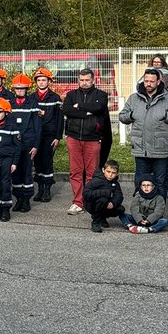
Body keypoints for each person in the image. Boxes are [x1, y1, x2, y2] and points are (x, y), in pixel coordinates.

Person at [119, 68, 168, 194]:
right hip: (141, 148)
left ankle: (158, 211)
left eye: (152, 81)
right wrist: (132, 115)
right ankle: (140, 211)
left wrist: (166, 116)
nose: (148, 84)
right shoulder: (134, 98)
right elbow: (122, 116)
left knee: (160, 183)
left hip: (160, 148)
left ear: (159, 81)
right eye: (146, 80)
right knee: (140, 181)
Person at [62, 68, 109, 214]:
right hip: (73, 137)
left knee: (92, 173)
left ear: (93, 80)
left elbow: (98, 107)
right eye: (81, 80)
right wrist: (87, 112)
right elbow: (67, 110)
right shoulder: (71, 95)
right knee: (75, 172)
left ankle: (90, 200)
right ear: (78, 81)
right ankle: (77, 202)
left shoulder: (101, 95)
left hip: (93, 138)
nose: (84, 83)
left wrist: (79, 108)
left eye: (87, 80)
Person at [8, 74, 40, 212]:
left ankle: (26, 200)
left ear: (27, 89)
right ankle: (18, 199)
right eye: (17, 89)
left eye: (22, 89)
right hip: (14, 145)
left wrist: (36, 146)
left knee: (26, 172)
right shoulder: (9, 104)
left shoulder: (32, 104)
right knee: (15, 173)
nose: (20, 91)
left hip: (28, 144)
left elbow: (38, 126)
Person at [32, 67, 62, 202]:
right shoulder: (31, 98)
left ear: (49, 81)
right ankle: (40, 189)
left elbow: (60, 119)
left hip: (49, 135)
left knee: (47, 162)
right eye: (39, 80)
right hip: (35, 135)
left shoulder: (55, 98)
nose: (41, 82)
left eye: (44, 80)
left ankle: (47, 190)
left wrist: (58, 137)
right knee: (37, 162)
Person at [82, 159, 125, 232]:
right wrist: (104, 192)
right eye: (108, 172)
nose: (110, 175)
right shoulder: (96, 180)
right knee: (103, 199)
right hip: (92, 205)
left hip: (106, 205)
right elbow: (86, 193)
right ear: (103, 170)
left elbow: (119, 196)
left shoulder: (115, 183)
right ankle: (95, 222)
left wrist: (113, 203)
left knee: (121, 209)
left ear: (117, 173)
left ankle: (102, 218)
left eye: (113, 173)